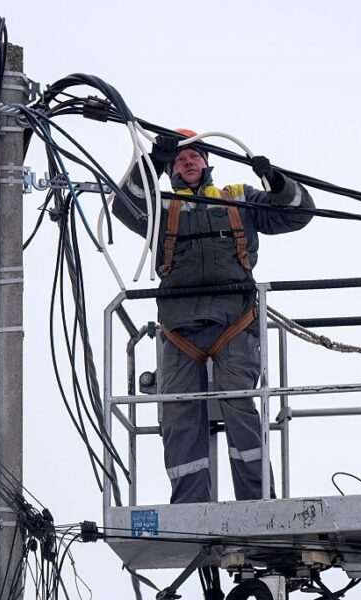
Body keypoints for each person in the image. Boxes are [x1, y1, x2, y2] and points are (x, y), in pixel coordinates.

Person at [112, 131, 314, 504]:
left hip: (233, 322)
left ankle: (257, 502)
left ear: (207, 162)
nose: (187, 162)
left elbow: (298, 213)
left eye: (194, 156)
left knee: (240, 405)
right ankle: (189, 508)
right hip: (179, 329)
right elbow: (124, 206)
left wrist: (275, 181)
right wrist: (153, 161)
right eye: (179, 159)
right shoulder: (163, 208)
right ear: (171, 170)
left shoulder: (237, 199)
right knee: (179, 414)